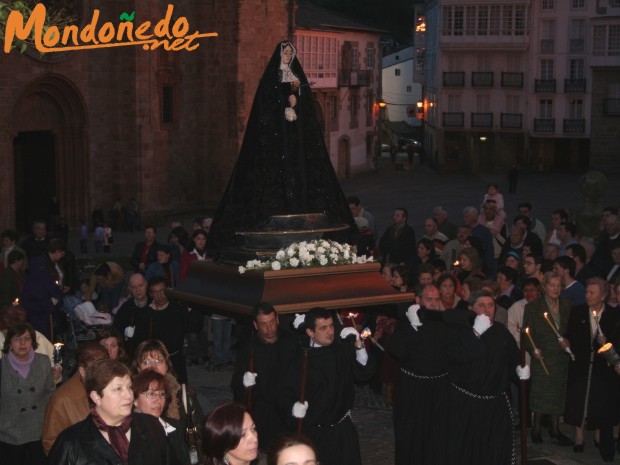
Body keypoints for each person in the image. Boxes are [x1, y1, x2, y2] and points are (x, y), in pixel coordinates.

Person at [207, 41, 356, 254]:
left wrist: (297, 102)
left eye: (289, 53)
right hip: (276, 139)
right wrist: (282, 105)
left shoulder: (296, 76)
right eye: (284, 52)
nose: (287, 56)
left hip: (295, 137)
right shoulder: (271, 79)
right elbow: (265, 108)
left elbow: (307, 108)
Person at [279, 307, 375, 465]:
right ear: (310, 332)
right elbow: (284, 395)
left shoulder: (341, 351)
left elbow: (364, 374)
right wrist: (292, 408)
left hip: (342, 431)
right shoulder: (300, 358)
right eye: (323, 328)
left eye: (331, 326)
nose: (330, 331)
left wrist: (359, 344)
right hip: (314, 434)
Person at [444, 290, 526, 465]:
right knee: (469, 451)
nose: (488, 309)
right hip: (467, 403)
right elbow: (458, 356)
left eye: (491, 305)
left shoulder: (500, 331)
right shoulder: (459, 330)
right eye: (482, 305)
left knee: (496, 450)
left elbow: (512, 359)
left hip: (497, 402)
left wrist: (520, 372)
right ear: (470, 308)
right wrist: (476, 334)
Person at [48, 359, 169, 465]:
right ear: (96, 397)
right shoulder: (71, 443)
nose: (128, 395)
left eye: (129, 387)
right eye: (118, 389)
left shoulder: (150, 425)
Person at [390, 285, 449, 465]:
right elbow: (398, 351)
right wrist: (414, 328)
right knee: (410, 435)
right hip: (411, 390)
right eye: (429, 299)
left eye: (436, 300)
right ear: (418, 300)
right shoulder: (406, 323)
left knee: (436, 435)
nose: (433, 304)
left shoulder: (443, 323)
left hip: (437, 390)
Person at [564, 278, 620, 461]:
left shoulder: (613, 315)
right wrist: (566, 342)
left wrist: (607, 344)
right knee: (579, 399)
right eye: (586, 292)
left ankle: (601, 437)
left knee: (601, 401)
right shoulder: (578, 311)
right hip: (580, 364)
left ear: (603, 296)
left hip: (602, 368)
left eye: (592, 293)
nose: (587, 296)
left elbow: (615, 345)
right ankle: (579, 436)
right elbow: (570, 334)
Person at [231, 303, 300, 450]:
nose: (269, 328)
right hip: (263, 411)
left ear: (278, 321)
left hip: (287, 410)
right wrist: (244, 382)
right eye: (263, 324)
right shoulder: (248, 347)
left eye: (272, 322)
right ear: (255, 325)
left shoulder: (291, 342)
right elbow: (236, 382)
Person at [523, 271, 574, 446]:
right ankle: (536, 430)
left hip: (561, 357)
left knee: (558, 394)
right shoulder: (533, 307)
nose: (555, 288)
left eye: (559, 285)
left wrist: (568, 341)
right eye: (552, 285)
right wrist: (533, 349)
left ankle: (555, 430)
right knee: (540, 394)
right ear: (544, 287)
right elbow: (525, 333)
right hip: (542, 356)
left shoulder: (567, 305)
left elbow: (572, 331)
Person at [0, 323, 55, 465]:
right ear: (10, 343)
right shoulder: (2, 367)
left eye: (27, 338)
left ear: (33, 341)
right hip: (10, 434)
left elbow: (50, 392)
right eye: (17, 339)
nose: (23, 343)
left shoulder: (43, 362)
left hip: (39, 430)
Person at [131, 339, 205, 443]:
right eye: (147, 362)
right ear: (139, 369)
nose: (153, 367)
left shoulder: (183, 394)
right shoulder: (131, 395)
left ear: (167, 365)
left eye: (158, 361)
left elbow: (201, 431)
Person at [41, 342, 110, 455]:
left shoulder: (112, 390)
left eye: (105, 369)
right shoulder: (62, 399)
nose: (102, 374)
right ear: (82, 371)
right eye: (96, 370)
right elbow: (50, 443)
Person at [133, 276, 201, 383]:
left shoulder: (177, 309)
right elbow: (139, 340)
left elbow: (194, 326)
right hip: (155, 361)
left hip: (176, 359)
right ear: (150, 294)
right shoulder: (146, 314)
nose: (160, 295)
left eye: (162, 291)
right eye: (156, 292)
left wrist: (193, 307)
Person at [132, 370, 191, 465]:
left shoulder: (176, 427)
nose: (158, 400)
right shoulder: (127, 432)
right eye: (151, 394)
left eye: (162, 394)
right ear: (135, 400)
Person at [20, 239, 67, 339]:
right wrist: (56, 296)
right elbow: (43, 284)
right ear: (56, 251)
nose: (62, 255)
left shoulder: (49, 263)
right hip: (38, 304)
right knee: (42, 334)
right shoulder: (40, 263)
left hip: (42, 303)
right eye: (61, 252)